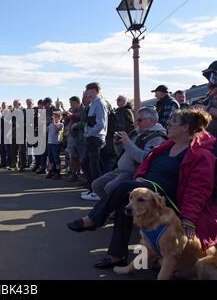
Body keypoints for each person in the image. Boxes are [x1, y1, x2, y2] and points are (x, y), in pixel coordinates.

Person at [68, 108, 217, 270]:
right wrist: (139, 176)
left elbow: (198, 190)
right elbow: (145, 164)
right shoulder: (166, 146)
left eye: (173, 122)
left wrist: (188, 218)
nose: (168, 125)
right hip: (148, 188)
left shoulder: (201, 155)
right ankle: (116, 256)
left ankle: (93, 220)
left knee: (124, 186)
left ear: (185, 127)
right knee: (123, 202)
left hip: (170, 198)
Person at [82, 107, 166, 201]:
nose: (137, 122)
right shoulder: (136, 133)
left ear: (151, 120)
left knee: (110, 188)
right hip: (121, 169)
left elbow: (144, 158)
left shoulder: (157, 137)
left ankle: (112, 209)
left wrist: (127, 142)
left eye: (139, 120)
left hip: (134, 172)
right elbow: (121, 153)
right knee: (96, 185)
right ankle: (109, 207)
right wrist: (118, 144)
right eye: (136, 119)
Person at [80, 83, 108, 199]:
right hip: (92, 138)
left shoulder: (100, 103)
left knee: (93, 165)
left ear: (96, 91)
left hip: (96, 138)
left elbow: (100, 124)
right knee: (87, 164)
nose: (87, 92)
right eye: (87, 90)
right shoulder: (94, 104)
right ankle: (92, 188)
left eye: (89, 90)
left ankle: (97, 191)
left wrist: (88, 133)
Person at [45, 111, 64, 180]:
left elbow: (56, 130)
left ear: (59, 117)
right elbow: (46, 130)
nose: (54, 118)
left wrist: (53, 123)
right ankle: (50, 172)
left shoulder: (61, 124)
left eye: (56, 117)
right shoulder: (50, 125)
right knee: (50, 158)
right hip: (49, 143)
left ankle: (58, 172)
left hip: (56, 144)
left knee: (56, 158)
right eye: (53, 117)